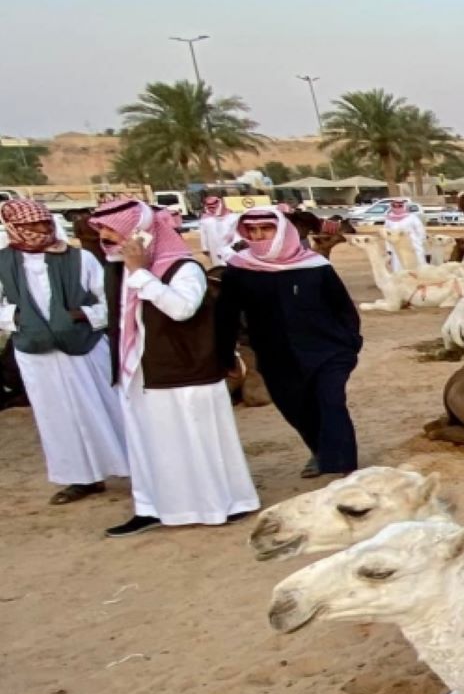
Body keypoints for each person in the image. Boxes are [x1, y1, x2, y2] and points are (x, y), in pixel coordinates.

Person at [89, 198, 257, 536]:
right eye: (101, 231)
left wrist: (141, 275)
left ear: (140, 233)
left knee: (197, 441)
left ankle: (223, 504)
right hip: (139, 370)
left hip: (185, 370)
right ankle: (152, 508)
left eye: (111, 230)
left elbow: (181, 309)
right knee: (148, 445)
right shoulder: (119, 269)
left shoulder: (182, 268)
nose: (105, 237)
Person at [214, 207, 362, 478]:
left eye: (266, 229)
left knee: (331, 402)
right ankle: (320, 451)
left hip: (327, 351)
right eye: (253, 230)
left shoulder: (314, 266)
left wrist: (351, 342)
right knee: (295, 406)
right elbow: (226, 315)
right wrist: (224, 356)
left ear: (281, 229)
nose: (259, 235)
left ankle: (343, 466)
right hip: (275, 354)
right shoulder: (239, 269)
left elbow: (342, 308)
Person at [0, 199, 128, 505]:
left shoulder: (81, 259)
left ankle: (133, 468)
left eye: (44, 224)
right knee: (55, 416)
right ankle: (81, 479)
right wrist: (16, 318)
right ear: (14, 228)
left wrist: (83, 315)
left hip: (84, 348)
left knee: (105, 407)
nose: (40, 231)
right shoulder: (2, 262)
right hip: (35, 352)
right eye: (31, 226)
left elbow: (109, 300)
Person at [383, 198, 427, 270]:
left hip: (413, 245)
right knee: (399, 265)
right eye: (395, 206)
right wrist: (388, 248)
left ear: (403, 206)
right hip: (397, 245)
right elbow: (387, 234)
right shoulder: (388, 219)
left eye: (399, 206)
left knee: (418, 266)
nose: (397, 208)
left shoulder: (412, 217)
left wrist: (420, 242)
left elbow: (420, 231)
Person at [198, 194, 240, 265]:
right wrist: (205, 248)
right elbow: (203, 234)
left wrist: (237, 244)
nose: (212, 209)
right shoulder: (205, 219)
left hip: (230, 246)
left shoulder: (232, 216)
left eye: (214, 207)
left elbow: (237, 232)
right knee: (218, 266)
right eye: (210, 207)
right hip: (213, 246)